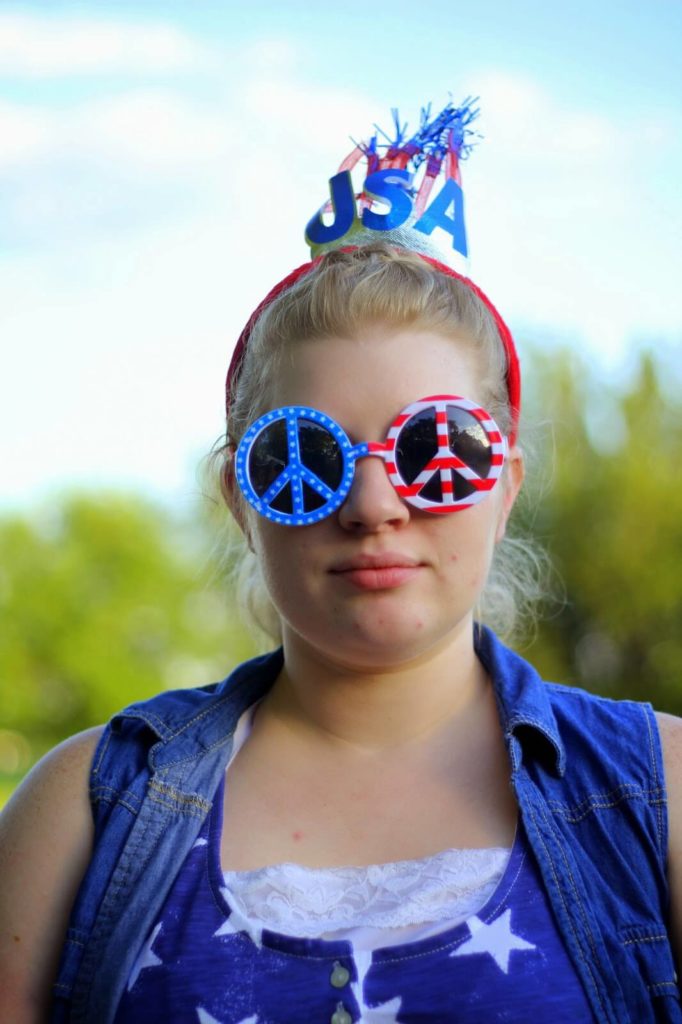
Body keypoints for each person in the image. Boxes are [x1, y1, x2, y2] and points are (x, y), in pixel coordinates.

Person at [2, 104, 682, 1024]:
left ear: (506, 482)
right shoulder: (84, 814)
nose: (372, 507)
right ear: (241, 497)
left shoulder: (660, 794)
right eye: (302, 458)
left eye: (438, 450)